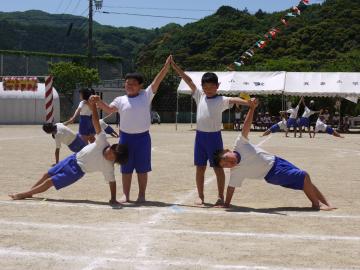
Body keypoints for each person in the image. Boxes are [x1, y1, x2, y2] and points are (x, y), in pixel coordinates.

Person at [213, 98, 336, 211]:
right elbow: (230, 188)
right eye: (225, 166)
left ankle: (326, 203)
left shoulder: (239, 144)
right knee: (304, 176)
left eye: (226, 159)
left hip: (278, 161)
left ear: (227, 150)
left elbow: (246, 125)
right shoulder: (236, 172)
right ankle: (316, 204)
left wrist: (252, 108)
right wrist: (227, 204)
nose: (229, 163)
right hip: (272, 174)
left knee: (306, 181)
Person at [9, 98, 129, 205]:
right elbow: (96, 122)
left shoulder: (108, 166)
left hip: (76, 171)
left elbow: (112, 182)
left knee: (50, 181)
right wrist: (93, 106)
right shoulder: (103, 141)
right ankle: (30, 192)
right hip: (72, 158)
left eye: (113, 159)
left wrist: (113, 199)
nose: (110, 157)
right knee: (47, 175)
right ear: (112, 147)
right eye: (112, 154)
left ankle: (23, 194)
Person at [171, 58, 252, 206]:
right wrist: (176, 67)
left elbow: (234, 100)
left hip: (214, 137)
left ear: (217, 86)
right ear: (202, 86)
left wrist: (248, 103)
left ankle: (220, 197)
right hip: (200, 137)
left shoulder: (221, 99)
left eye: (211, 86)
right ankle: (200, 196)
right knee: (200, 167)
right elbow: (188, 81)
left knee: (218, 167)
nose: (208, 89)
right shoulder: (199, 95)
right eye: (205, 86)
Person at [94, 56, 171, 203]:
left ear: (140, 86)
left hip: (142, 138)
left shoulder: (146, 95)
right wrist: (99, 102)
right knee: (126, 168)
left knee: (142, 169)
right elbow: (109, 109)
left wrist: (166, 67)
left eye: (134, 84)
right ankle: (126, 195)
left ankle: (141, 195)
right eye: (127, 83)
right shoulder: (120, 99)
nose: (130, 86)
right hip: (125, 139)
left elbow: (157, 81)